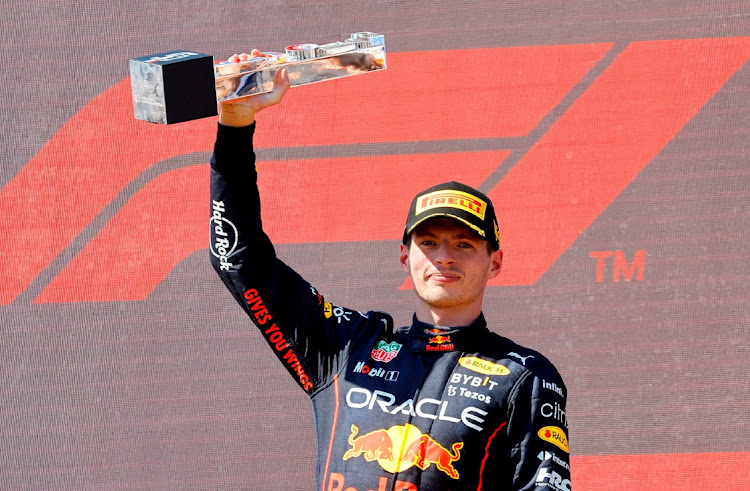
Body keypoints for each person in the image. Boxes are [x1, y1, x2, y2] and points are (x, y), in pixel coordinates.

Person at [209, 56, 571, 491]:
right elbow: (238, 261)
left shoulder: (525, 375)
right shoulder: (346, 347)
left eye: (464, 244)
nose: (444, 257)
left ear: (495, 262)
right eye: (429, 242)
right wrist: (235, 126)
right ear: (405, 255)